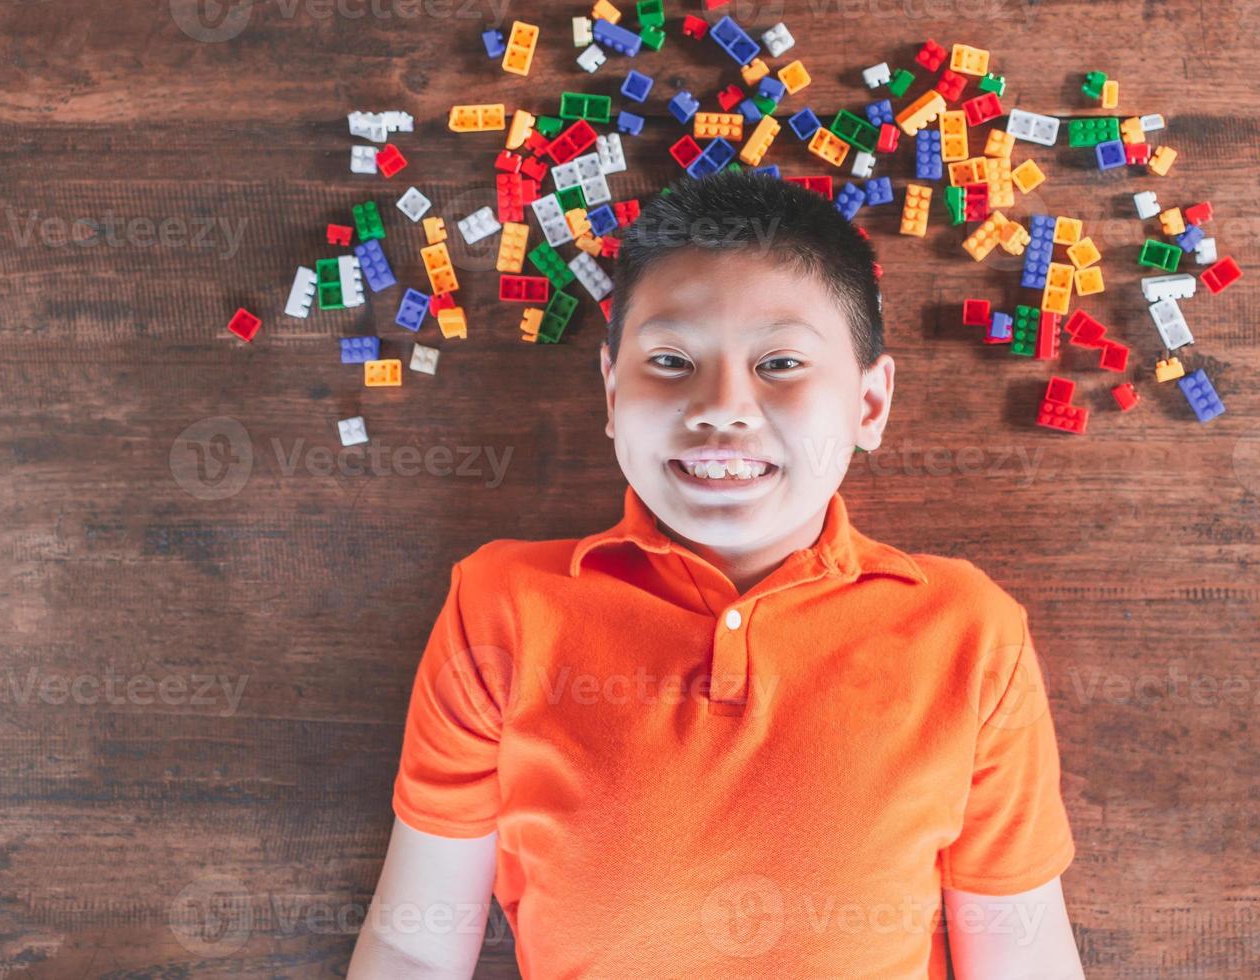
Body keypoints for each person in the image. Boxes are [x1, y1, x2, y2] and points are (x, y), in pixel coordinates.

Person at [348, 171, 1082, 979]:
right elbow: (417, 947)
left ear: (869, 405)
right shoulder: (501, 610)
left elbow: (1024, 960)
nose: (722, 406)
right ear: (611, 388)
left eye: (779, 363)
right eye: (670, 359)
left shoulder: (970, 634)